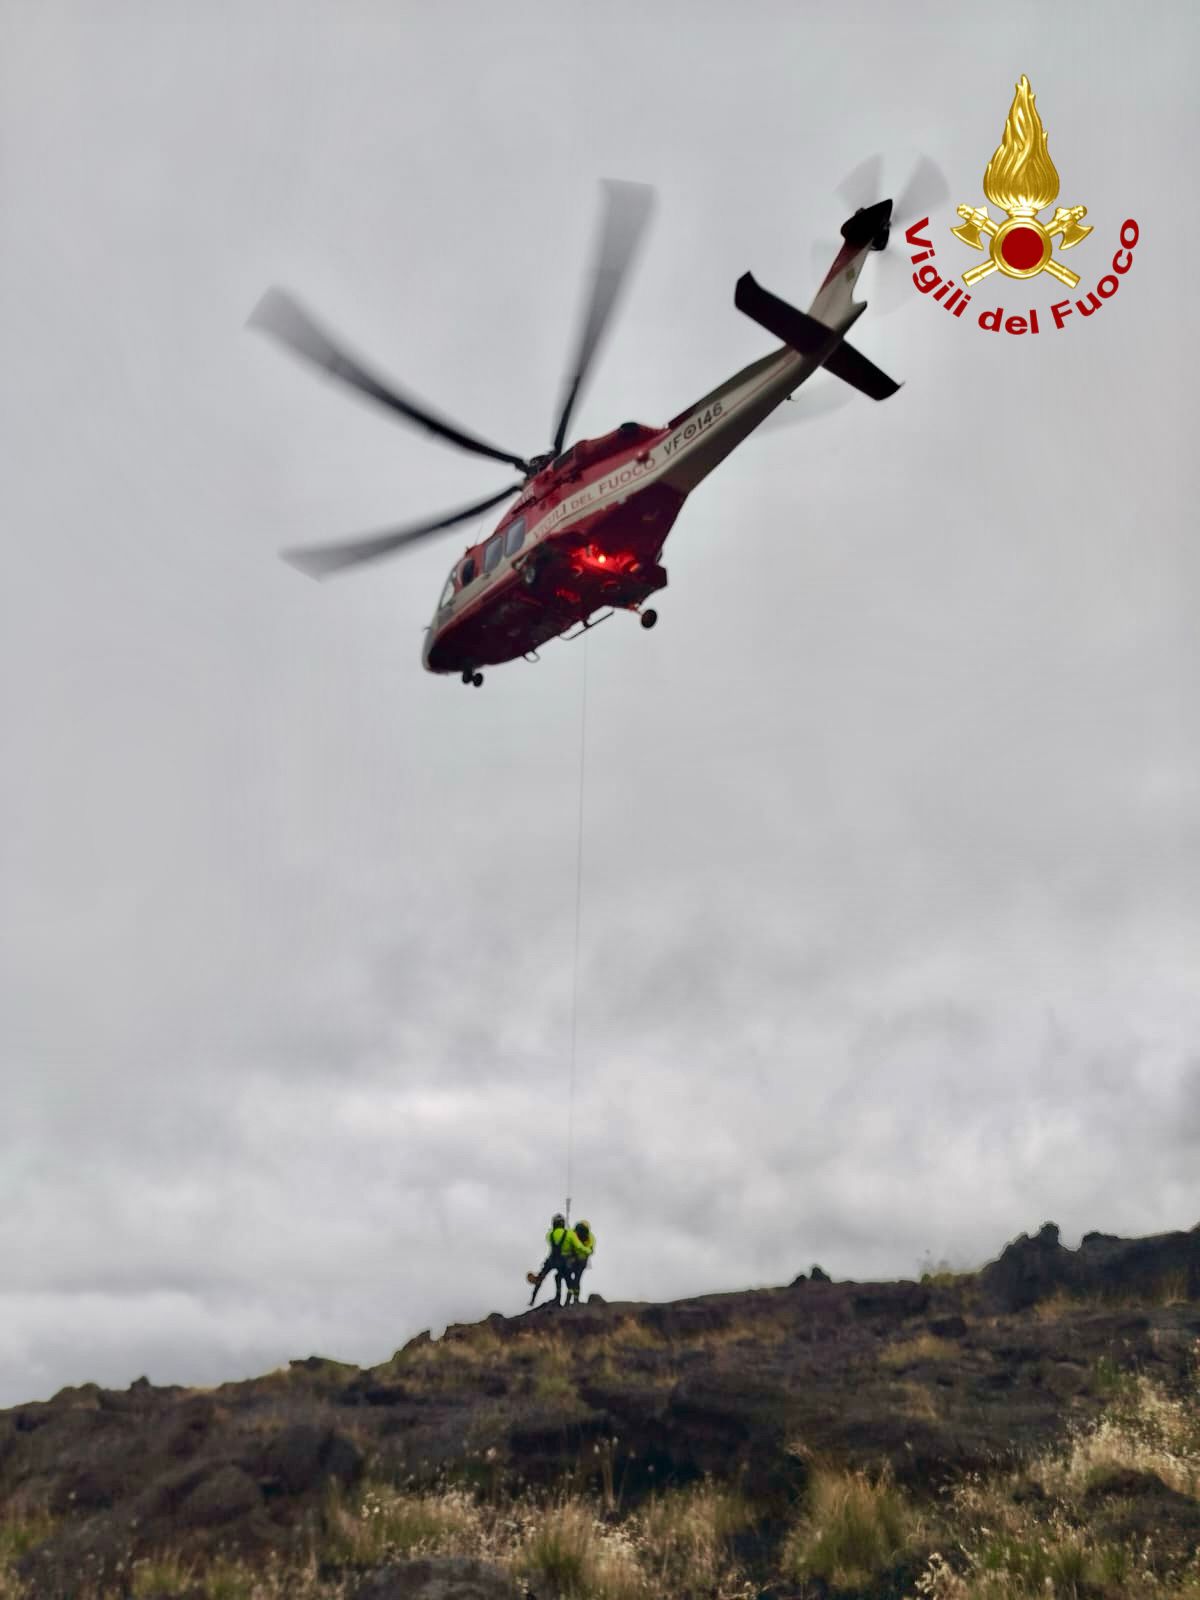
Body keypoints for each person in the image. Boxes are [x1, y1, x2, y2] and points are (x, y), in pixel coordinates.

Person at [528, 1213, 570, 1307]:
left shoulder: (549, 1235)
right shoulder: (568, 1234)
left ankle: (532, 1299)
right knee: (560, 1278)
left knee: (540, 1278)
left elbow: (549, 1238)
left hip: (551, 1259)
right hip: (562, 1260)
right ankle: (560, 1298)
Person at [562, 1219, 595, 1305]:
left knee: (573, 1278)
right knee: (577, 1279)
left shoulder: (574, 1234)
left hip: (575, 1260)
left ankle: (570, 1297)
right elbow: (590, 1250)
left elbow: (570, 1245)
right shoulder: (590, 1237)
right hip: (581, 1261)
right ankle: (575, 1298)